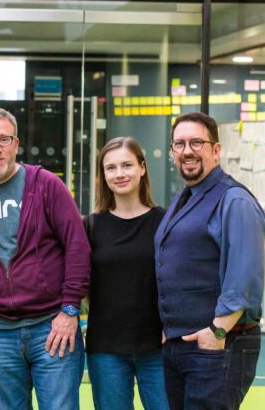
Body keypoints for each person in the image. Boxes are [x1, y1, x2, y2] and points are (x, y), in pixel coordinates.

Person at [0, 106, 91, 410]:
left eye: (4, 139)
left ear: (17, 144)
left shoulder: (46, 185)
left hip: (52, 328)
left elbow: (77, 247)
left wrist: (70, 310)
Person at [155, 112, 265, 409]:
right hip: (184, 347)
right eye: (179, 144)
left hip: (218, 346)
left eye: (196, 142)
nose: (187, 151)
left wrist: (216, 332)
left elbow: (244, 277)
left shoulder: (234, 200)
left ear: (216, 151)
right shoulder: (186, 198)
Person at [84, 137, 169, 410]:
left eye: (127, 165)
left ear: (142, 168)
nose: (119, 174)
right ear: (103, 175)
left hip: (158, 345)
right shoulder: (91, 226)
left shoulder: (165, 222)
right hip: (106, 348)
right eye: (110, 168)